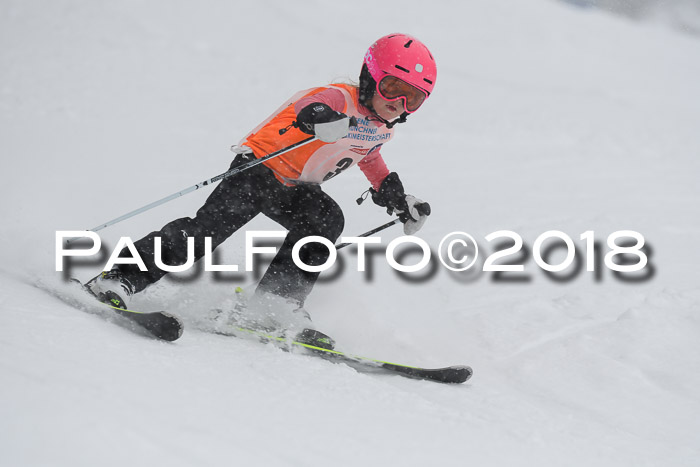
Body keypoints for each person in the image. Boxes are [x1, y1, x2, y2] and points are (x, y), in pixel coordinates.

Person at [87, 33, 437, 342]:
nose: (399, 103)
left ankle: (275, 304)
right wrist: (321, 118)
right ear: (370, 77)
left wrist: (398, 198)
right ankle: (120, 277)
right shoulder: (338, 97)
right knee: (203, 234)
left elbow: (369, 157)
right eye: (393, 88)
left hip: (297, 188)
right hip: (256, 173)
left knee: (326, 220)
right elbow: (309, 107)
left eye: (413, 99)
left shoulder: (380, 127)